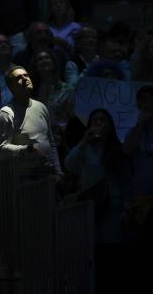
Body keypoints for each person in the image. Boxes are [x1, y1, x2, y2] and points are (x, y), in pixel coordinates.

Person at [65, 109, 127, 243]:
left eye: (103, 120)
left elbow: (124, 179)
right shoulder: (86, 148)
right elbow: (69, 165)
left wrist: (125, 205)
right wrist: (83, 141)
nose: (99, 123)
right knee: (91, 244)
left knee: (111, 244)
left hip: (112, 204)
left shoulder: (117, 148)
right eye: (95, 120)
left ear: (110, 126)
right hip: (90, 202)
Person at [0, 65, 63, 182]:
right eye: (19, 78)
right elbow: (1, 148)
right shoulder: (6, 113)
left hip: (48, 173)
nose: (25, 79)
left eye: (26, 75)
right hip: (24, 175)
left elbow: (51, 142)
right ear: (11, 87)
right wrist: (26, 150)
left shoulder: (41, 107)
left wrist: (58, 171)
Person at [122, 85, 153, 243]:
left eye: (149, 100)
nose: (146, 104)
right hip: (139, 200)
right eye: (142, 101)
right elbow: (127, 150)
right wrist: (140, 126)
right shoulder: (134, 131)